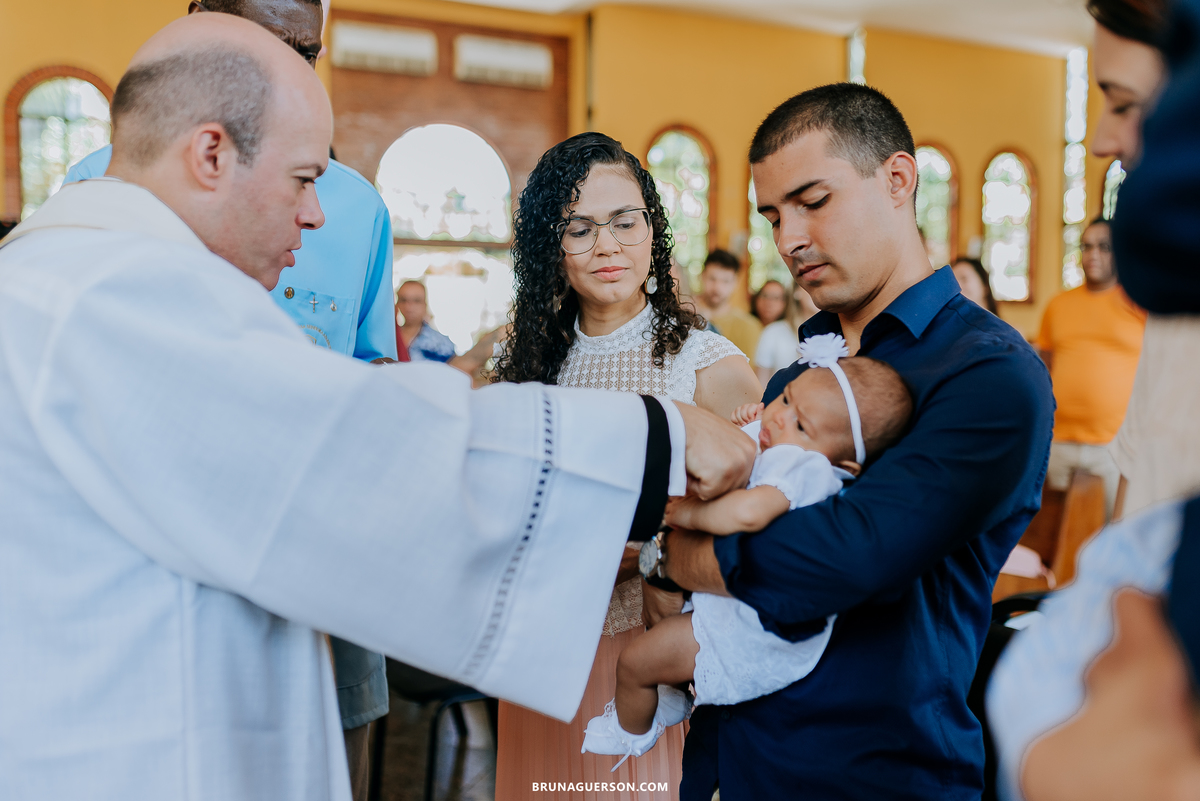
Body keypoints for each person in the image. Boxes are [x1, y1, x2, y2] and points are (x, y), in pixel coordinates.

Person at [0, 15, 757, 800]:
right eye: (303, 178)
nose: (319, 215)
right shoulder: (115, 295)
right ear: (212, 155)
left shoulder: (82, 264)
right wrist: (657, 436)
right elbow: (354, 455)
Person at [642, 83, 1053, 800]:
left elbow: (841, 558)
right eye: (773, 216)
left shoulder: (989, 372)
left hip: (868, 770)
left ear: (898, 179)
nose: (790, 239)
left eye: (813, 201)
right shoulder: (799, 373)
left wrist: (674, 554)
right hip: (728, 761)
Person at [59, 2, 396, 794]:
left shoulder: (352, 206)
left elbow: (374, 373)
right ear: (202, 21)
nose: (288, 63)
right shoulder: (102, 185)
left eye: (306, 50)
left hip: (320, 549)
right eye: (263, 39)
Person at [491, 132, 761, 798]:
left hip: (652, 656)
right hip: (545, 653)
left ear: (653, 229)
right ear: (549, 245)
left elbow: (760, 519)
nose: (607, 246)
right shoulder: (528, 368)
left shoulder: (709, 364)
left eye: (624, 221)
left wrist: (644, 545)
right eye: (579, 228)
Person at [581, 336, 913, 765]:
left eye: (801, 425)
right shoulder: (788, 445)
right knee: (655, 647)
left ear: (845, 463)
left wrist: (684, 514)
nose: (780, 419)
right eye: (787, 400)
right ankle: (667, 700)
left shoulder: (808, 467)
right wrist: (748, 426)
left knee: (635, 662)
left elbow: (749, 512)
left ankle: (630, 733)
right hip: (720, 604)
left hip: (740, 628)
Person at [1036, 218, 1145, 516]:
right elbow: (1043, 370)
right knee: (1056, 533)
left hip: (1113, 446)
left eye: (1103, 247)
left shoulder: (1139, 304)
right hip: (1058, 441)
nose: (1092, 254)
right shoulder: (1058, 305)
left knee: (1109, 535)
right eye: (1086, 246)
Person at [394, 278, 503, 375]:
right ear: (397, 304)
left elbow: (455, 374)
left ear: (425, 304)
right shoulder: (389, 339)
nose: (409, 307)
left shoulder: (440, 343)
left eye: (416, 301)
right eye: (404, 300)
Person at [692, 249, 763, 357]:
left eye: (725, 281)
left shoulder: (749, 327)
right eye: (712, 279)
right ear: (702, 276)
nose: (717, 287)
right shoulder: (685, 316)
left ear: (735, 283)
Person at [754, 278, 819, 385]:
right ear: (796, 291)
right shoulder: (772, 333)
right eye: (814, 283)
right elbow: (761, 386)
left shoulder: (838, 333)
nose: (819, 291)